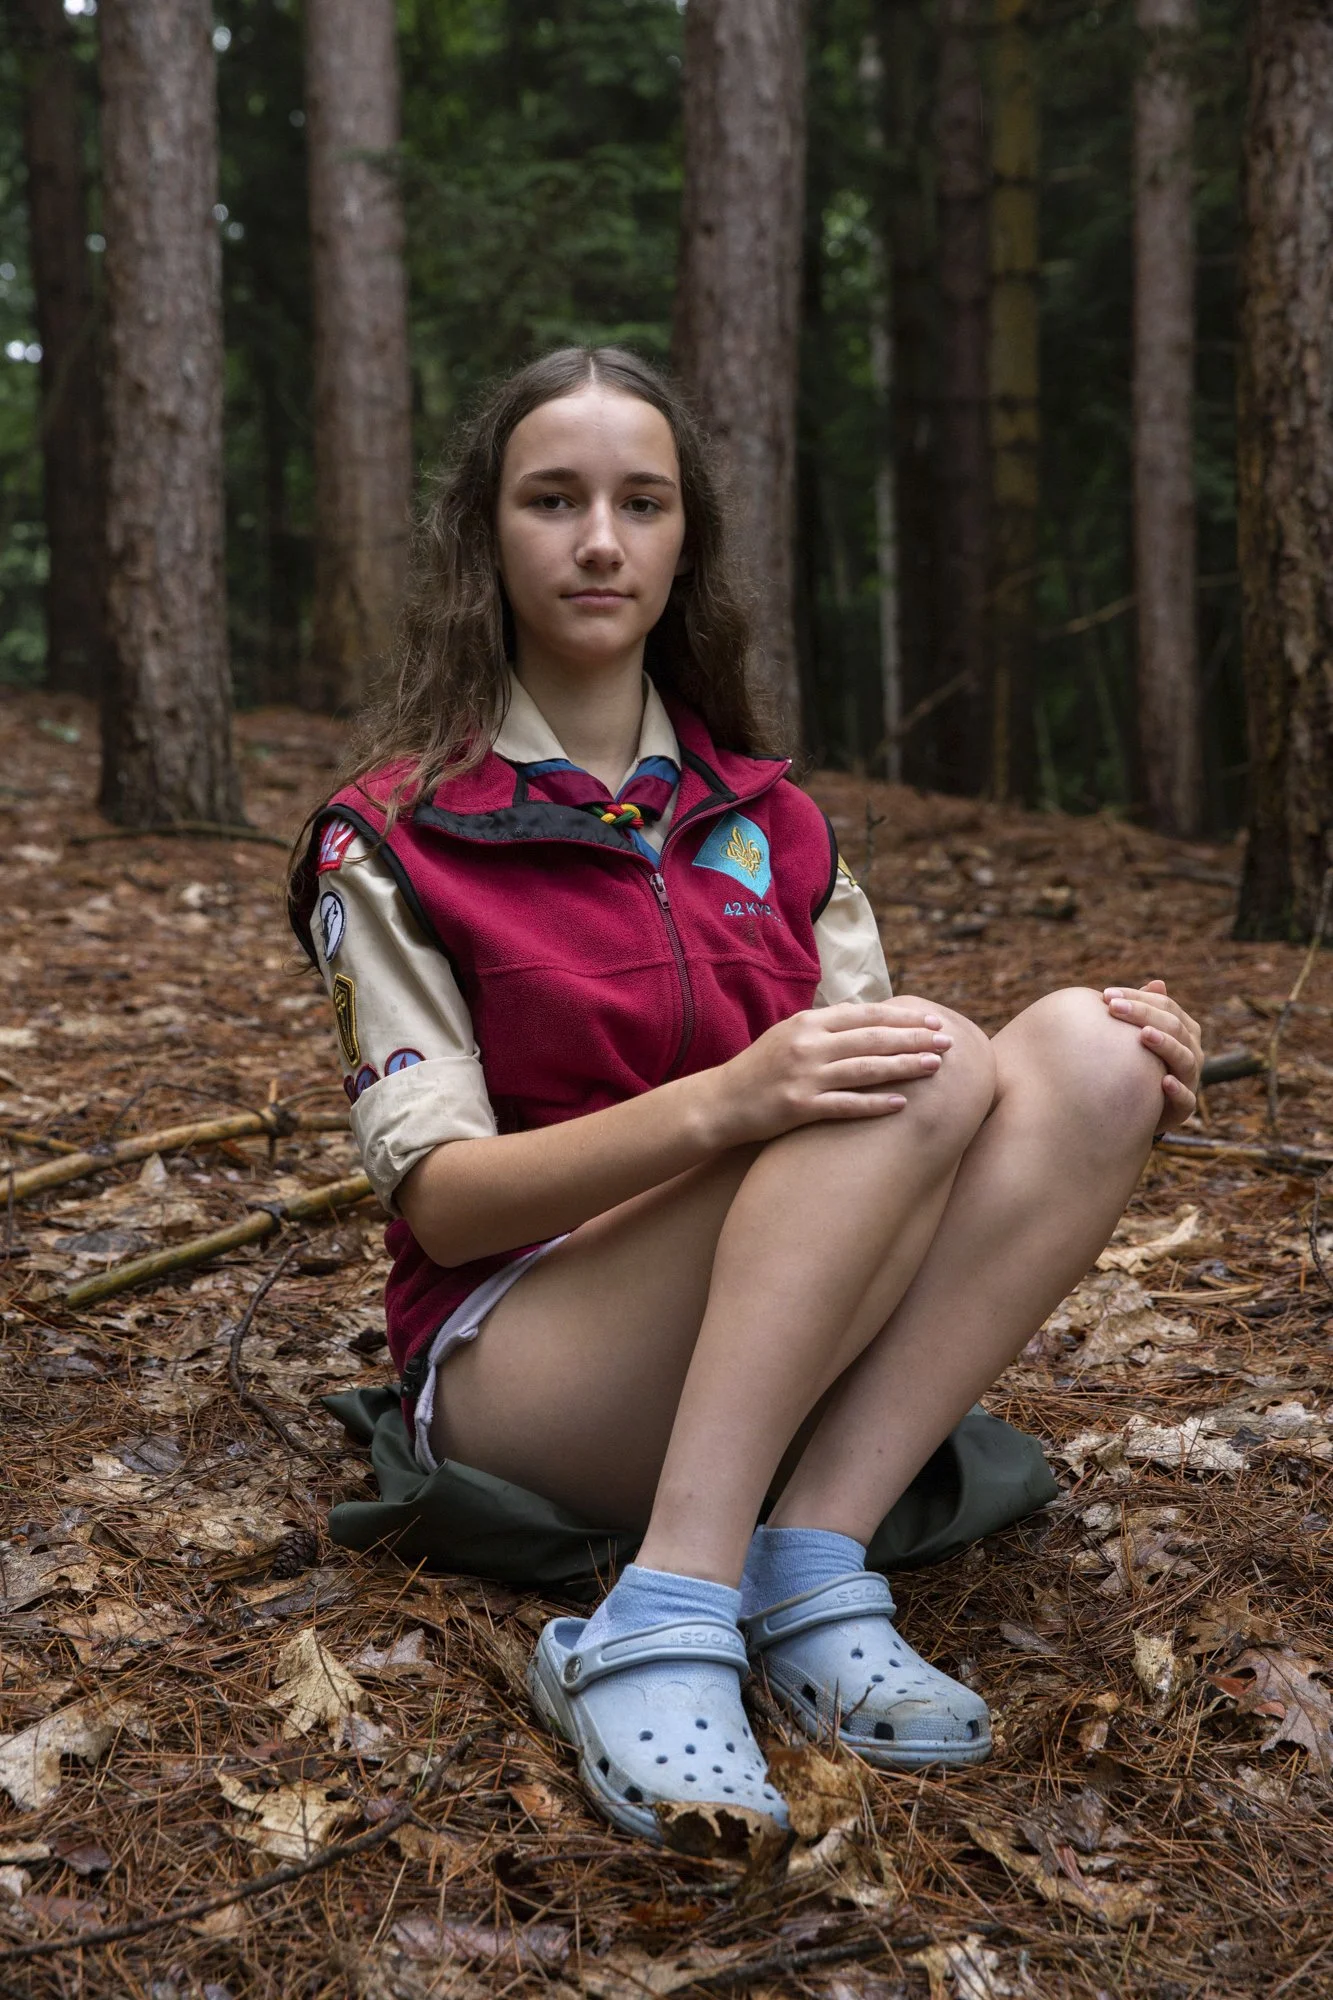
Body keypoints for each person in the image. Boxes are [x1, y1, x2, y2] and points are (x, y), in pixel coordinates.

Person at [290, 346, 1202, 1843]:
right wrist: (731, 1099)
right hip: (527, 1357)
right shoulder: (392, 837)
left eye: (641, 502)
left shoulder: (769, 817)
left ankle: (809, 1559)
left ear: (685, 538)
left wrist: (1123, 1048)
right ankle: (654, 1620)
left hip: (770, 1348)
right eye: (553, 500)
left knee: (1077, 1053)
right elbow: (442, 1202)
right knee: (902, 1067)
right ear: (486, 536)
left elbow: (911, 1119)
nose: (599, 540)